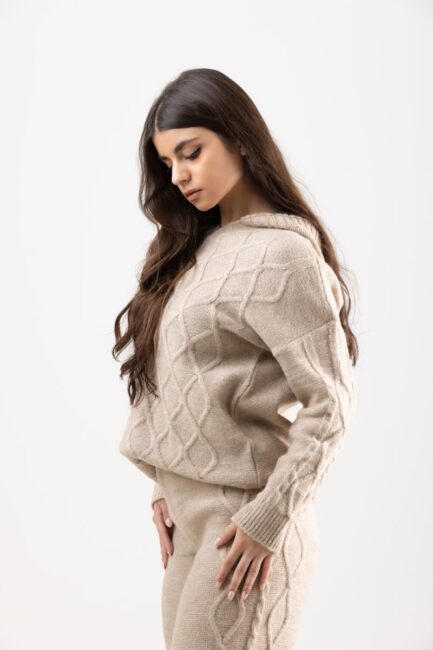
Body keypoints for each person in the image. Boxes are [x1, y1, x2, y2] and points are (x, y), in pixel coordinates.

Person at [113, 67, 358, 650]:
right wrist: (163, 486)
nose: (178, 175)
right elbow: (185, 380)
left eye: (191, 152)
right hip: (190, 524)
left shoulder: (284, 255)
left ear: (241, 139)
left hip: (247, 526)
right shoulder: (192, 251)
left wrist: (270, 518)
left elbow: (330, 404)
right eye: (167, 162)